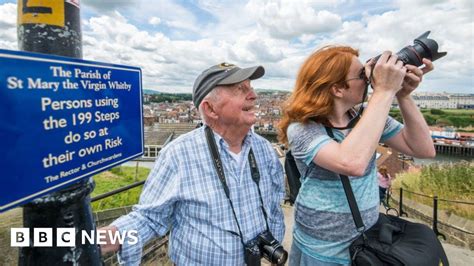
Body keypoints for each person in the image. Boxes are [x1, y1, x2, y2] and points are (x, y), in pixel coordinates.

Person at [100, 63, 285, 265]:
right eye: (240, 89)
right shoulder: (178, 154)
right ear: (210, 108)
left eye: (250, 87)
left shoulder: (265, 149)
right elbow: (148, 219)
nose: (253, 95)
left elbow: (274, 204)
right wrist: (83, 241)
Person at [278, 46, 435, 265]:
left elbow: (423, 149)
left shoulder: (365, 117)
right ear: (338, 89)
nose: (370, 79)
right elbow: (352, 163)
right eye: (362, 75)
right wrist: (383, 91)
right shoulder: (302, 128)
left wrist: (403, 95)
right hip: (321, 249)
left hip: (366, 241)